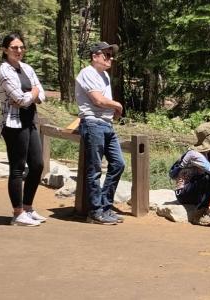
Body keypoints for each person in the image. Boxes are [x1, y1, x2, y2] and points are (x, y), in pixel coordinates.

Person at [0, 33, 47, 226]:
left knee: (37, 165)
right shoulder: (4, 71)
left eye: (21, 47)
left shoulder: (27, 68)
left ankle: (28, 207)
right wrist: (31, 94)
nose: (18, 51)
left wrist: (32, 94)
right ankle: (17, 213)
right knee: (17, 168)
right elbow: (20, 99)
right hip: (12, 123)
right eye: (14, 48)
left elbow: (41, 94)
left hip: (30, 120)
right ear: (5, 50)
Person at [75, 41, 126, 225]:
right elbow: (98, 100)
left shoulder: (104, 76)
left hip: (107, 125)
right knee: (95, 168)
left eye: (111, 55)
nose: (110, 58)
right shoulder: (87, 73)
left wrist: (113, 110)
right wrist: (117, 105)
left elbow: (104, 101)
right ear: (95, 56)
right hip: (93, 123)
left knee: (118, 164)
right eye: (106, 54)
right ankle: (95, 211)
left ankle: (105, 206)